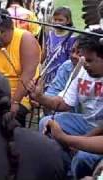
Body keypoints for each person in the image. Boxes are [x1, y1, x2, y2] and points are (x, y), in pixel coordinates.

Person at [27, 28, 103, 179]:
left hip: (99, 131)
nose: (84, 63)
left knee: (82, 157)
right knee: (46, 122)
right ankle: (62, 170)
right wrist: (40, 97)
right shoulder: (82, 69)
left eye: (89, 60)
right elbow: (64, 103)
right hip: (86, 123)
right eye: (83, 58)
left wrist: (78, 141)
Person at [42, 7, 76, 91]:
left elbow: (71, 59)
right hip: (47, 71)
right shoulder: (49, 34)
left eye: (60, 20)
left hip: (62, 73)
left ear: (68, 21)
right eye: (55, 19)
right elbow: (45, 51)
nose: (57, 22)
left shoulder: (71, 38)